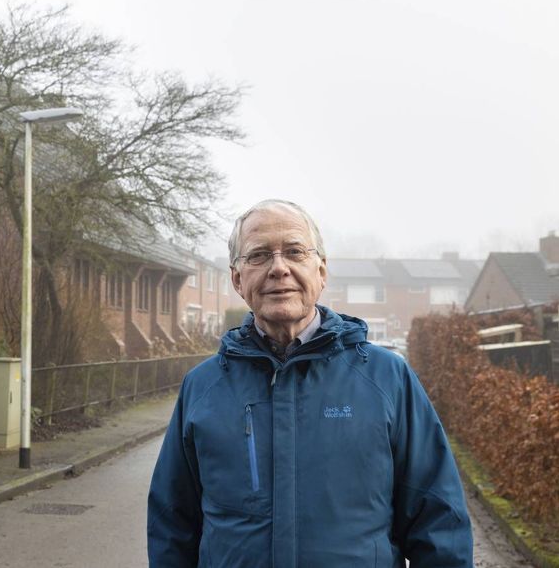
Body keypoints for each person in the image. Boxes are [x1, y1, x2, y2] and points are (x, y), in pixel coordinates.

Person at [147, 199, 473, 567]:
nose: (279, 268)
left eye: (294, 251)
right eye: (258, 256)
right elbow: (172, 525)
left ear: (321, 271)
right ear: (238, 279)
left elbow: (439, 522)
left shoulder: (387, 380)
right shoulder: (202, 387)